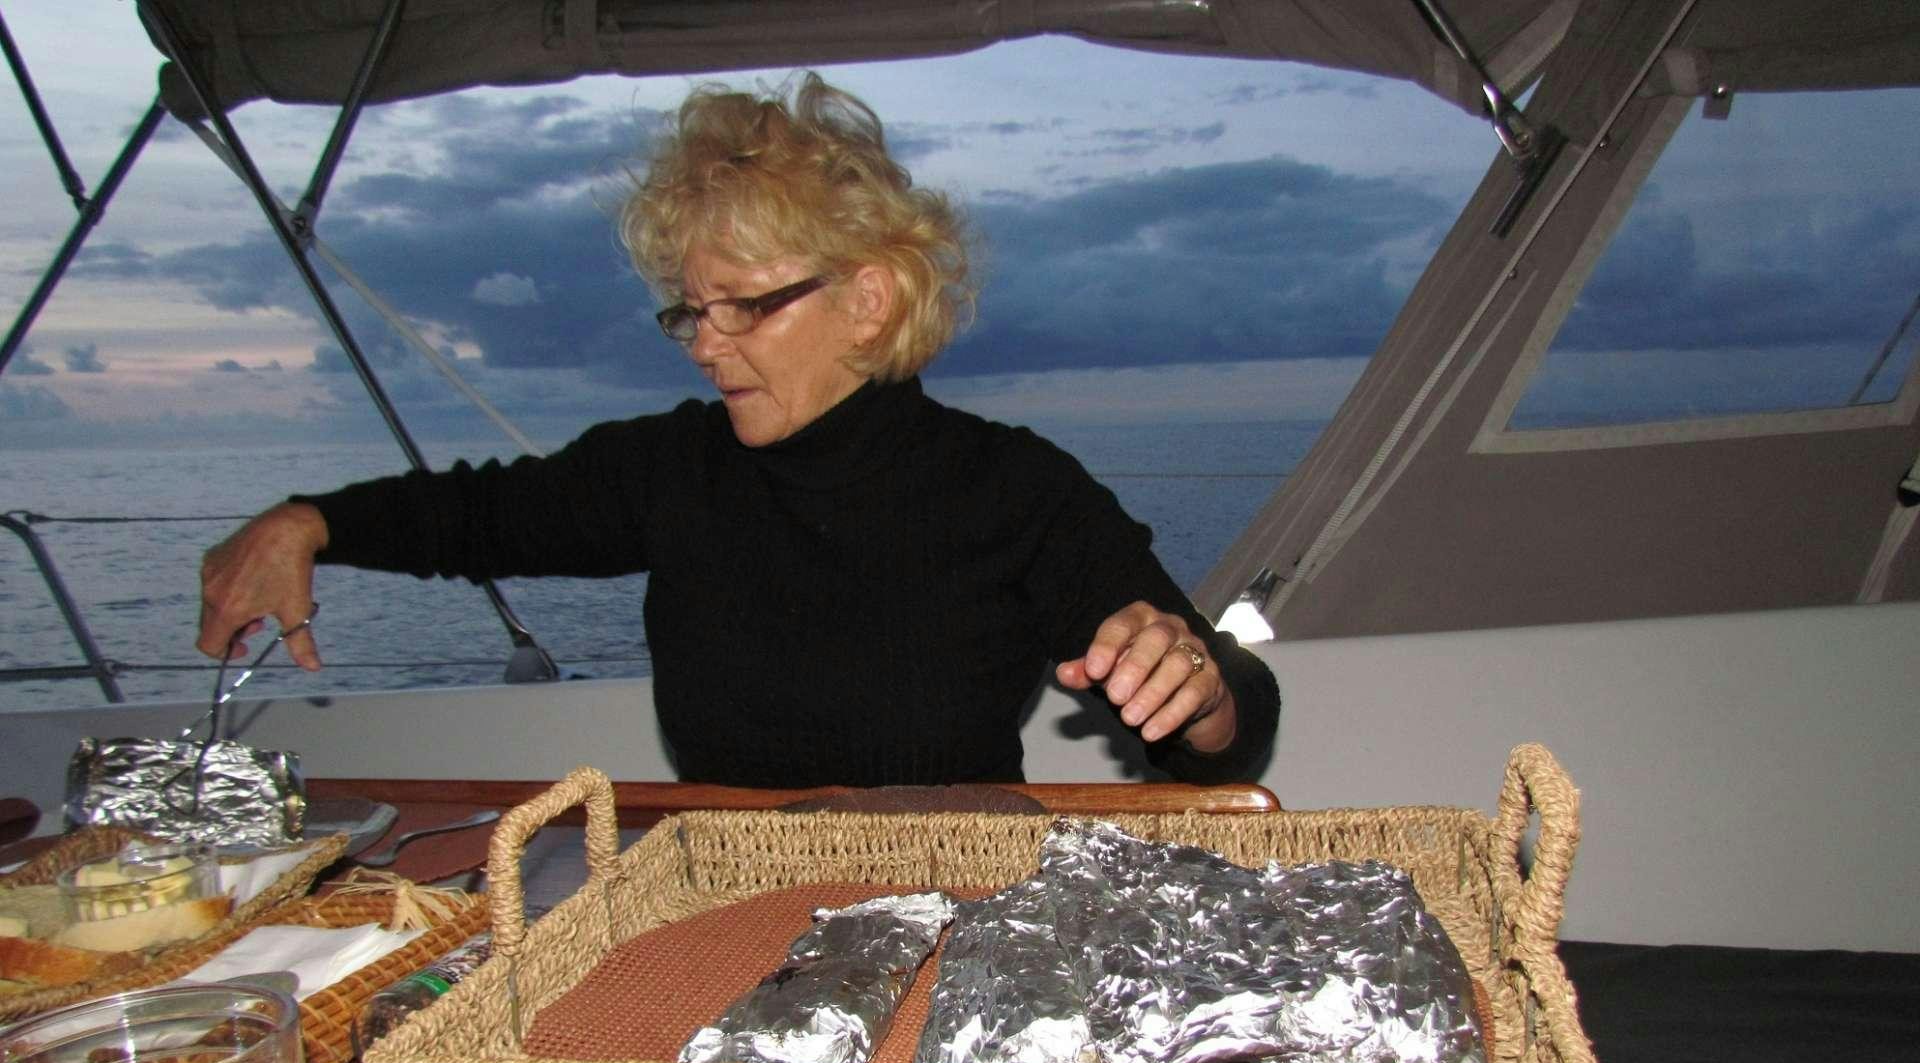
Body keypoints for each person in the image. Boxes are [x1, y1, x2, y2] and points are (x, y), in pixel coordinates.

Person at [197, 74, 1279, 789]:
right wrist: (309, 521)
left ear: (870, 299)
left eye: (747, 305)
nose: (706, 346)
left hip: (951, 910)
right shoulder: (671, 469)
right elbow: (475, 514)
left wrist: (1199, 692)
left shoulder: (1016, 491)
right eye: (688, 309)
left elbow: (1233, 725)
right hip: (715, 897)